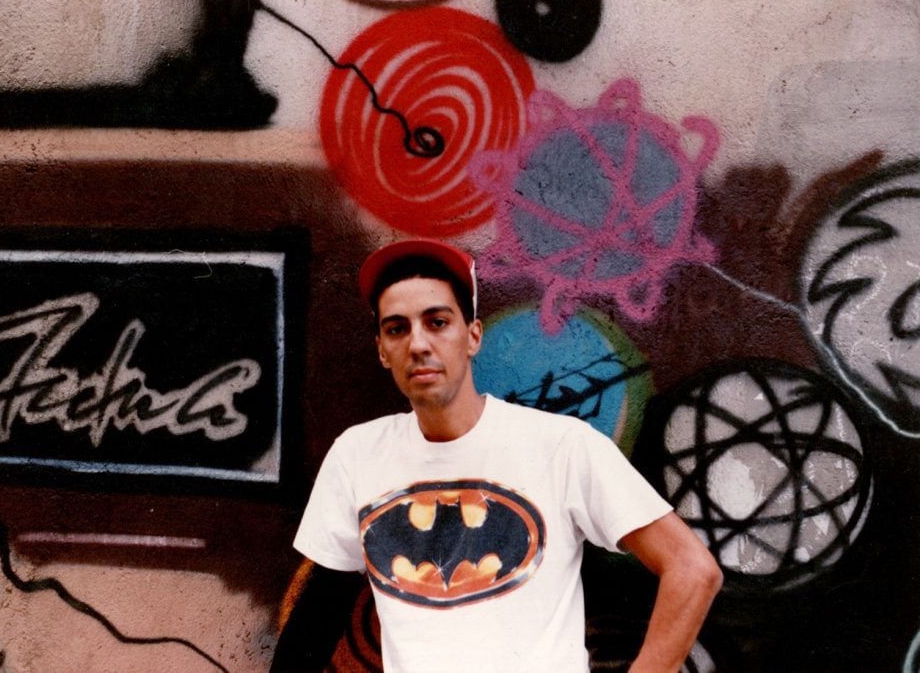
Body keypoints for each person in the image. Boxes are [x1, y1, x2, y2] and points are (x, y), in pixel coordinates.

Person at [272, 239, 722, 672]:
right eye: (397, 328)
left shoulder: (561, 446)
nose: (419, 344)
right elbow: (317, 619)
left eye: (437, 322)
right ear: (382, 351)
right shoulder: (358, 454)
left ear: (472, 337)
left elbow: (692, 569)